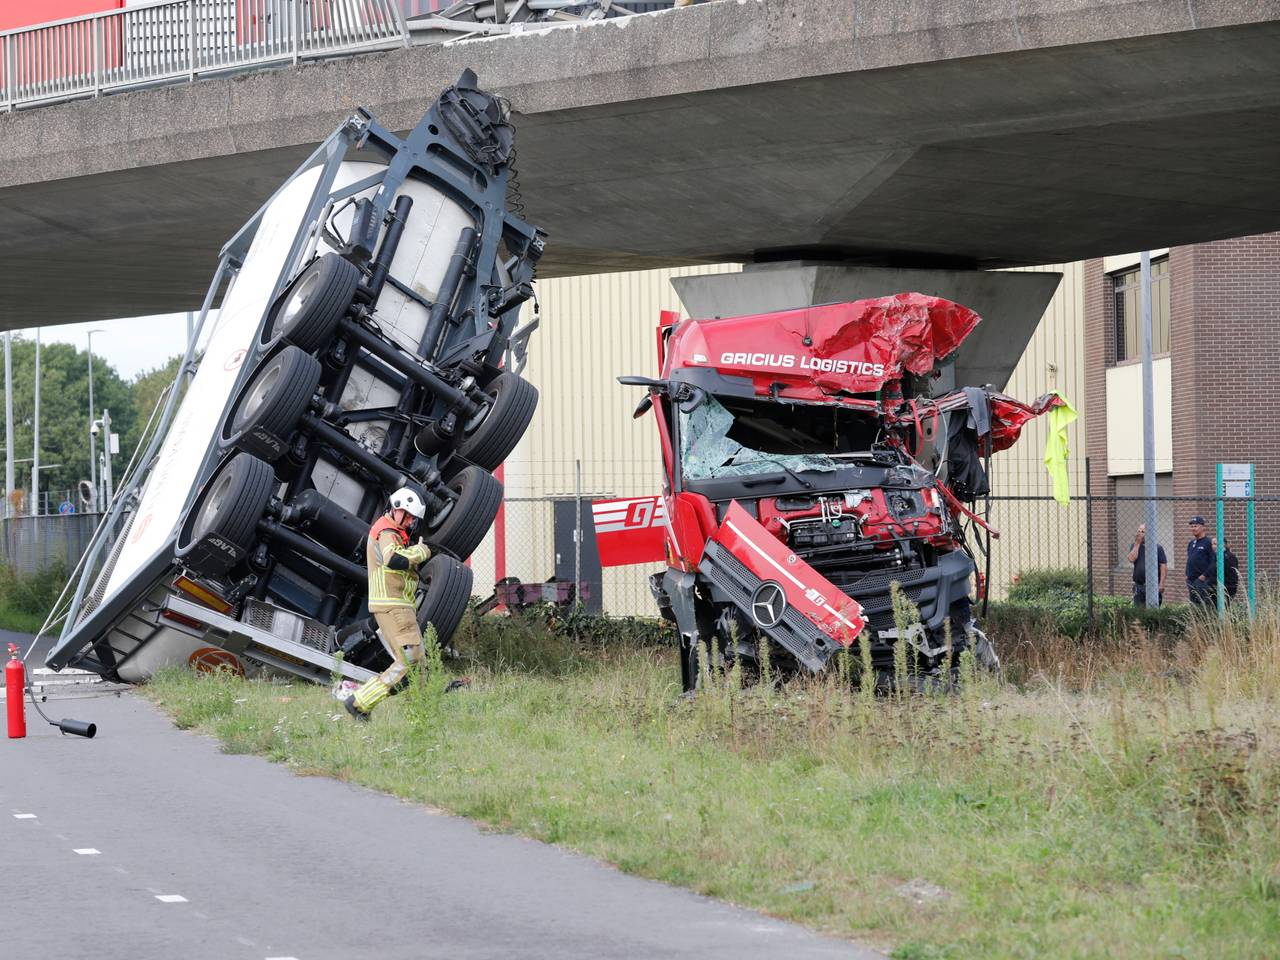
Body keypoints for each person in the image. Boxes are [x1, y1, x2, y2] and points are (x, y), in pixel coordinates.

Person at [344, 488, 432, 721]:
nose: (412, 521)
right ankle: (360, 702)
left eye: (414, 518)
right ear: (397, 509)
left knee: (418, 661)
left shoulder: (393, 530)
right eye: (409, 516)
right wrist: (420, 552)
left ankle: (421, 713)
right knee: (410, 658)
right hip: (393, 605)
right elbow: (393, 560)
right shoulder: (387, 532)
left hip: (396, 604)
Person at [1126, 523, 1167, 605]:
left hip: (1153, 586)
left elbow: (1163, 566)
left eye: (1142, 531)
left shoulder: (1157, 548)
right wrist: (1137, 544)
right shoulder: (1134, 546)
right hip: (1139, 585)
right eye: (1139, 531)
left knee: (1153, 609)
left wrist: (1162, 583)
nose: (1140, 533)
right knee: (1138, 611)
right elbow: (1131, 559)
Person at [1185, 515, 1216, 607]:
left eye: (1196, 526)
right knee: (1194, 605)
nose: (1193, 528)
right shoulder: (1191, 543)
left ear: (1203, 527)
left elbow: (1213, 562)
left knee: (1204, 604)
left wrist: (1203, 576)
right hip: (1191, 580)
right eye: (1192, 526)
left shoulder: (1208, 542)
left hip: (1203, 581)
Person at [1212, 537, 1241, 602]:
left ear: (1223, 544)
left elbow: (1232, 574)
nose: (1213, 546)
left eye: (1215, 544)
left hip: (1226, 588)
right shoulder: (1215, 556)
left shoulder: (1229, 557)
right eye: (1212, 544)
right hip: (1216, 588)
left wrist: (1227, 588)